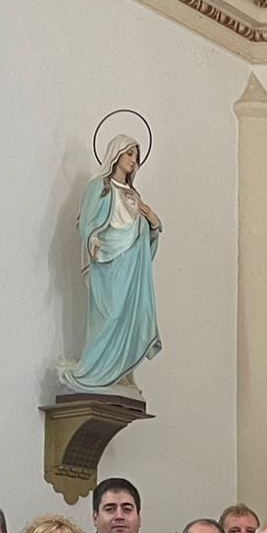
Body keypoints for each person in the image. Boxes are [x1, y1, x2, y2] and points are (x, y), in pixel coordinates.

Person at [61, 134, 160, 390]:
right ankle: (96, 370)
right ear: (116, 154)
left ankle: (123, 372)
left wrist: (153, 223)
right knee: (109, 315)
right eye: (129, 153)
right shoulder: (99, 187)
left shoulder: (134, 195)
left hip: (133, 267)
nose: (133, 160)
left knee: (131, 318)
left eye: (136, 156)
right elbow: (86, 220)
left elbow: (144, 239)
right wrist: (92, 238)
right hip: (108, 263)